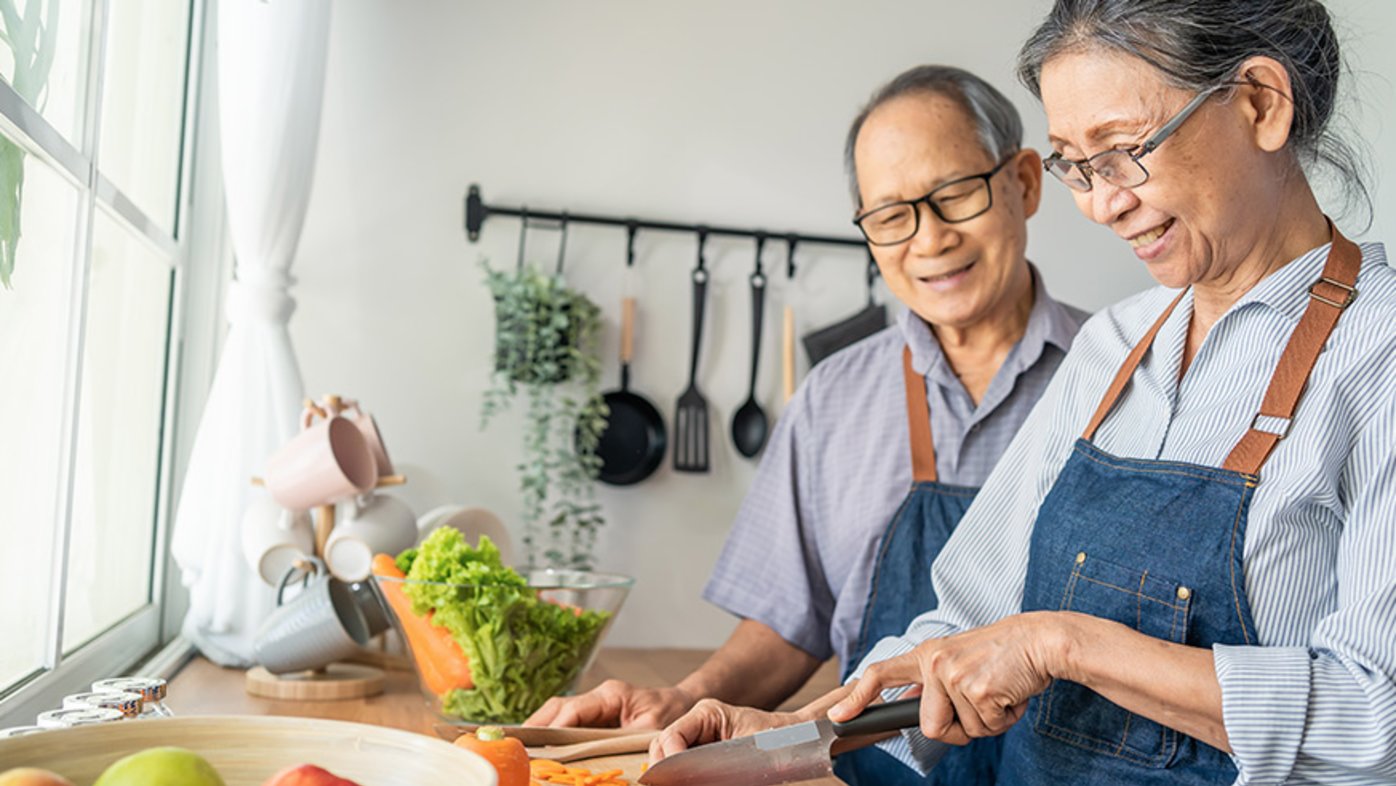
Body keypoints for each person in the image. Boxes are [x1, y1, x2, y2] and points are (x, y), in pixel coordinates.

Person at [649, 1, 1396, 784]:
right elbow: (962, 630)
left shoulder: (1376, 356)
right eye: (1078, 164)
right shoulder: (1112, 349)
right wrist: (783, 738)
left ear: (1260, 104)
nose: (1102, 204)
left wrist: (1062, 644)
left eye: (1122, 151)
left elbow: (1377, 716)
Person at [526, 66, 1088, 784]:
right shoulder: (834, 398)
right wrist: (685, 700)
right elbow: (790, 624)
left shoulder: (1123, 381)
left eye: (954, 195)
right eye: (891, 216)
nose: (930, 239)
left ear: (1026, 183)